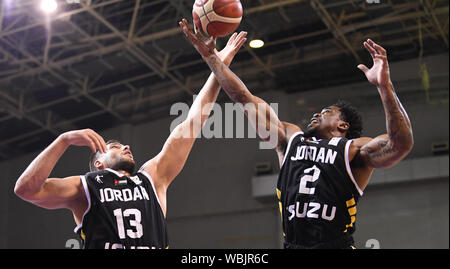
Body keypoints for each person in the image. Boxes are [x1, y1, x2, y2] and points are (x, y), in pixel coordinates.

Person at [180, 19, 414, 249]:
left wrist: (385, 87)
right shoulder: (290, 138)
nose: (316, 114)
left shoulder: (354, 150)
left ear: (343, 126)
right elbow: (244, 98)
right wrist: (211, 58)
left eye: (326, 112)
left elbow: (400, 144)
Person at [14, 28, 247, 249]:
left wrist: (217, 64)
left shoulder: (152, 179)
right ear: (98, 163)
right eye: (114, 146)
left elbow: (193, 123)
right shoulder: (86, 186)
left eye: (122, 144)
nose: (126, 146)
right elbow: (26, 189)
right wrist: (63, 140)